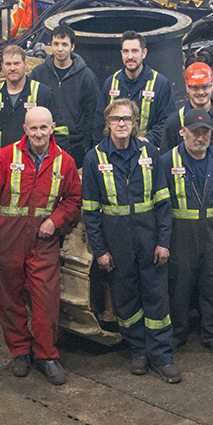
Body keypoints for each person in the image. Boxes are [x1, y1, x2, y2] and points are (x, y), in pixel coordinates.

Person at [0, 107, 81, 384]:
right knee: (9, 299)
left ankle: (47, 355)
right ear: (25, 129)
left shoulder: (65, 162)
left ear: (53, 128)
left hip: (43, 241)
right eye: (33, 128)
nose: (38, 134)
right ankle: (20, 352)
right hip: (7, 240)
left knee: (46, 301)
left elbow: (73, 200)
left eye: (43, 128)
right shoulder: (5, 156)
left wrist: (56, 221)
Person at [83, 98, 181, 383]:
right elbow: (90, 211)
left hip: (150, 240)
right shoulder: (94, 159)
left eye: (126, 119)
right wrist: (100, 251)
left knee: (157, 299)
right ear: (108, 124)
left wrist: (164, 242)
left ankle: (161, 356)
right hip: (117, 244)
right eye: (116, 119)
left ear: (135, 123)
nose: (122, 124)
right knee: (126, 301)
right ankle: (138, 350)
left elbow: (164, 203)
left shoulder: (151, 153)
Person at [161, 108, 213, 359]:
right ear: (182, 132)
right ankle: (178, 332)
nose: (200, 137)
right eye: (194, 132)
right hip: (180, 234)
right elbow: (160, 203)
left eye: (205, 132)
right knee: (179, 285)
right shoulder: (167, 162)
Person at [0, 45, 59, 177]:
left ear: (25, 64)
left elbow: (59, 132)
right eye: (8, 64)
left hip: (34, 171)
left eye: (17, 63)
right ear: (2, 66)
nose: (12, 68)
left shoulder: (43, 94)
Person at [29, 22, 99, 162]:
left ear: (72, 47)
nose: (60, 49)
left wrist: (85, 145)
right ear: (51, 45)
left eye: (64, 44)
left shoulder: (86, 76)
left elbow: (92, 114)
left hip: (75, 146)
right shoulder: (38, 74)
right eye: (56, 44)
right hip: (43, 144)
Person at [93, 31, 176, 147]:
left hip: (145, 152)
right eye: (126, 51)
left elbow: (167, 121)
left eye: (135, 51)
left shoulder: (160, 84)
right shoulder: (110, 83)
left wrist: (149, 139)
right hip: (115, 151)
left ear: (144, 53)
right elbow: (99, 122)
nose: (130, 56)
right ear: (121, 53)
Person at [160, 62, 213, 156]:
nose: (201, 92)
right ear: (187, 88)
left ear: (212, 86)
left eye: (205, 86)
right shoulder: (174, 123)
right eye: (195, 87)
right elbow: (166, 161)